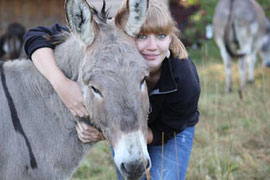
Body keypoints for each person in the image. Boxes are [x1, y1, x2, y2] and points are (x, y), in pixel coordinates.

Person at [23, 0, 200, 179]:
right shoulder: (113, 40)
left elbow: (168, 129)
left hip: (169, 130)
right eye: (142, 36)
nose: (152, 46)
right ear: (129, 33)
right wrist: (61, 84)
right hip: (126, 128)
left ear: (171, 38)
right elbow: (35, 36)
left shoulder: (185, 80)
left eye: (161, 36)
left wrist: (101, 134)